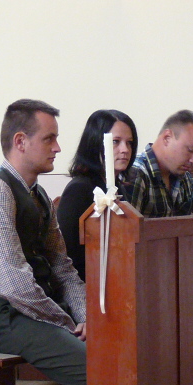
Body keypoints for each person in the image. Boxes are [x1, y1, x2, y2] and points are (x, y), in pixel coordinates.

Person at [0, 99, 88, 385]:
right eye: (49, 139)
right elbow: (11, 284)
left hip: (37, 313)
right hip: (4, 319)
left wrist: (86, 317)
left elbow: (63, 268)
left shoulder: (38, 195)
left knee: (120, 356)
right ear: (20, 141)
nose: (58, 148)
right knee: (102, 374)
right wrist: (67, 323)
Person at [57, 109, 138, 281]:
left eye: (129, 143)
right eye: (115, 142)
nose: (125, 150)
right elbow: (68, 255)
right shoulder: (79, 190)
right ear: (95, 143)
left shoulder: (118, 188)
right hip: (88, 283)